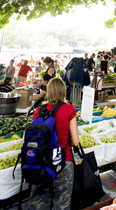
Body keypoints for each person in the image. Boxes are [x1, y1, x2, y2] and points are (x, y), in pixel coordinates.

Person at [30, 77, 79, 210]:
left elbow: (26, 139)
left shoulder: (38, 111)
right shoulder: (69, 109)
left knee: (39, 204)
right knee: (61, 204)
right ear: (64, 91)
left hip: (41, 164)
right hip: (64, 162)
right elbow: (75, 141)